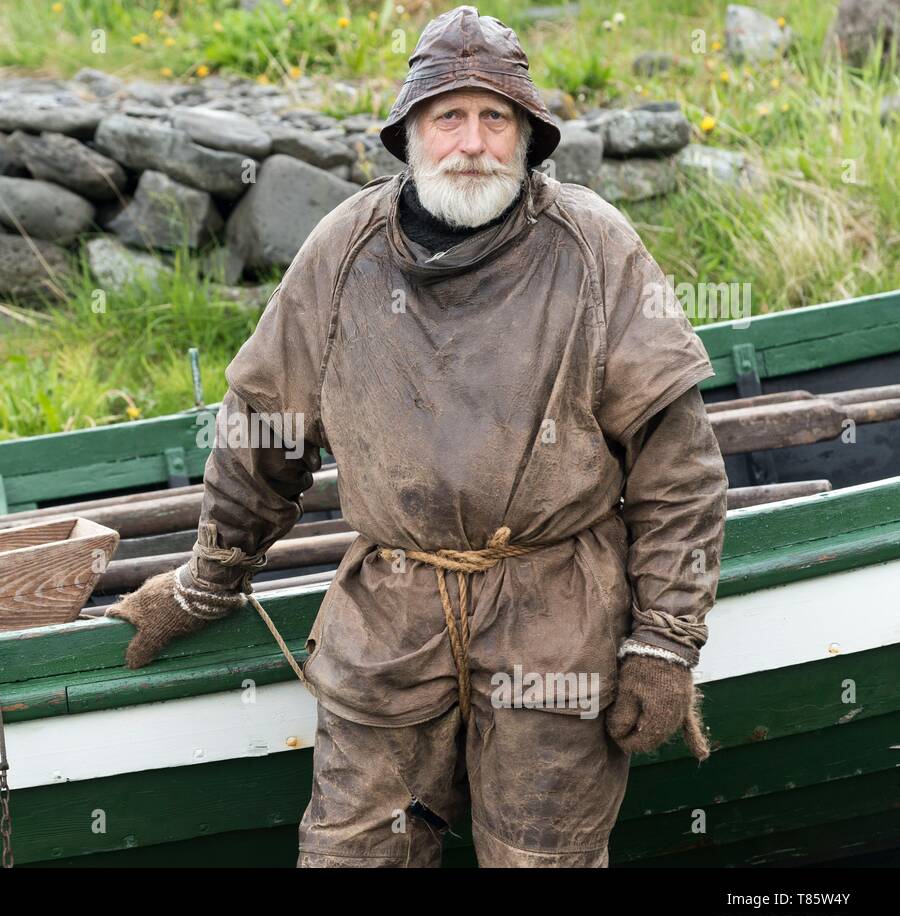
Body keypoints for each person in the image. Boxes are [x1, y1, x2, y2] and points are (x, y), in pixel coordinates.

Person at [107, 5, 728, 868]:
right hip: (391, 620)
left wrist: (663, 641)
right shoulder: (341, 252)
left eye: (495, 118)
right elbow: (262, 433)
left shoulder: (595, 249)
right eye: (449, 117)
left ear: (526, 137)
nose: (471, 141)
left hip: (556, 619)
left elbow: (679, 469)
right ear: (410, 135)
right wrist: (209, 581)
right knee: (353, 853)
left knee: (542, 858)